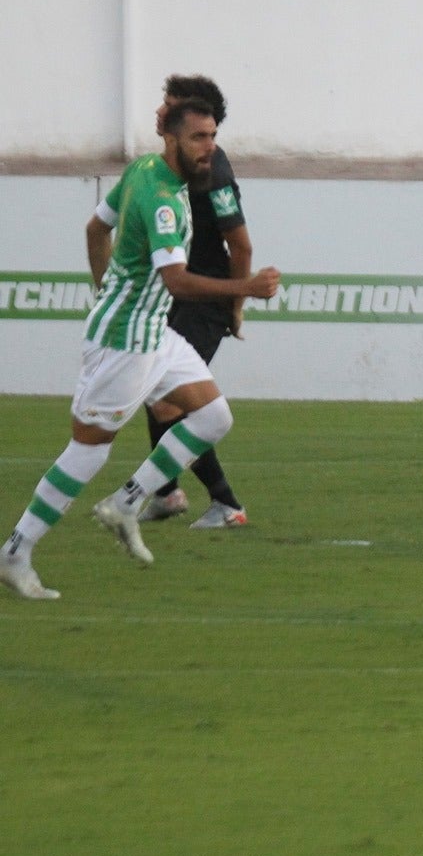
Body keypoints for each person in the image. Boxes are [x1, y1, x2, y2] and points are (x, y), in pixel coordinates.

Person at [1, 98, 280, 601]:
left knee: (213, 416)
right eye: (198, 137)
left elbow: (95, 229)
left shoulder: (144, 171)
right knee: (87, 451)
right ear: (171, 138)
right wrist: (245, 289)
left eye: (213, 136)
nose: (209, 147)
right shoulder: (163, 199)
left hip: (155, 334)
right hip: (125, 344)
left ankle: (127, 502)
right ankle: (16, 552)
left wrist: (105, 287)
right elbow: (177, 282)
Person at [138, 75, 253, 529]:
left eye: (169, 107)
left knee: (171, 400)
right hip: (180, 293)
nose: (161, 113)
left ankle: (226, 504)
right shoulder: (164, 167)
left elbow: (240, 245)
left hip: (206, 298)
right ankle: (166, 494)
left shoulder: (213, 174)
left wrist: (236, 305)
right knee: (155, 391)